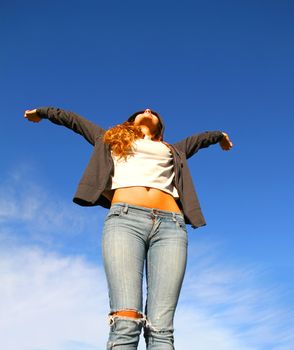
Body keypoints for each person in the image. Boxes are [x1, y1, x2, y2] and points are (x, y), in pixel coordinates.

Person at [24, 107, 233, 349]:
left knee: (162, 329)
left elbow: (200, 139)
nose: (148, 110)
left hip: (171, 227)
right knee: (125, 321)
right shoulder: (110, 138)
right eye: (142, 110)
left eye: (154, 112)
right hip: (125, 221)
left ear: (160, 128)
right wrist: (43, 112)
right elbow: (74, 121)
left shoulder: (174, 149)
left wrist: (219, 136)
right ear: (130, 121)